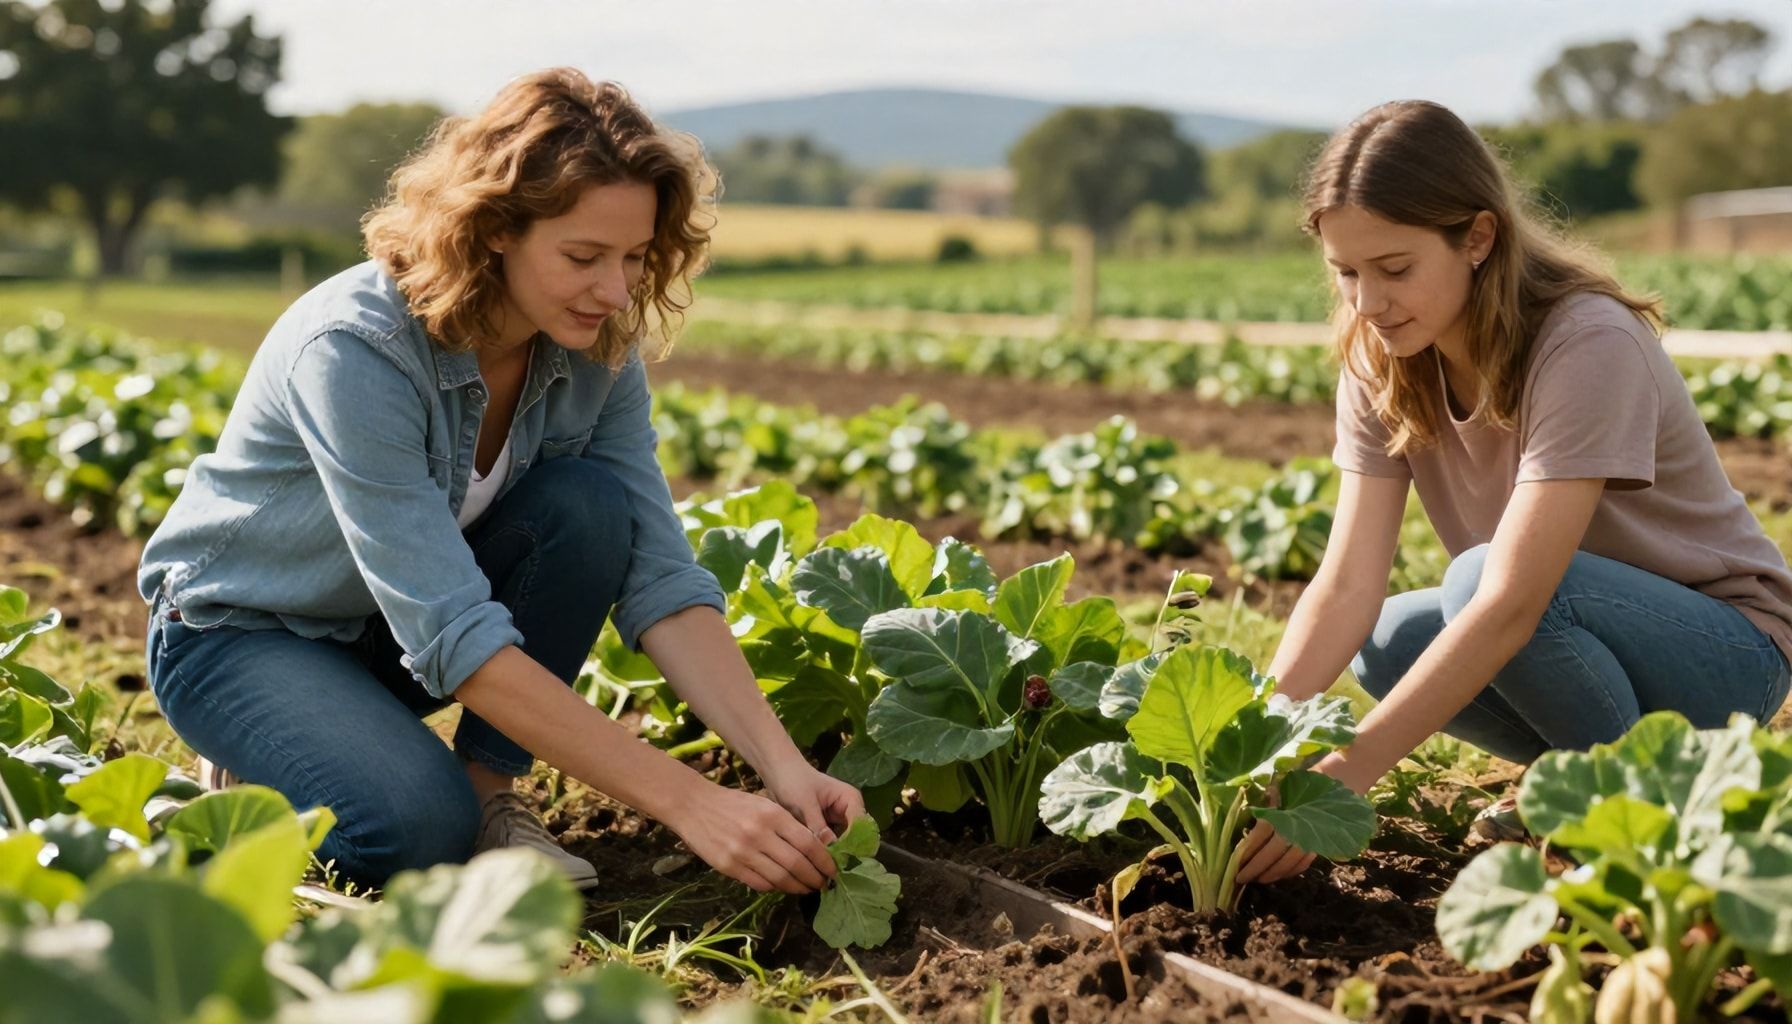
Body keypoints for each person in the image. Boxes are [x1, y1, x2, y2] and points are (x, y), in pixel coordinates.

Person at [138, 68, 863, 894]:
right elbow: (451, 630)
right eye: (584, 256)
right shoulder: (354, 350)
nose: (617, 289)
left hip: (384, 637)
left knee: (590, 509)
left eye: (634, 256)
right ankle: (260, 773)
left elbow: (660, 576)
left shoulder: (595, 349)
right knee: (414, 835)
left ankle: (489, 800)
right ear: (493, 230)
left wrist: (783, 768)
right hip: (239, 636)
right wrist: (690, 803)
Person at [1236, 99, 1792, 885]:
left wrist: (1352, 768)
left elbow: (1513, 603)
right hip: (1573, 636)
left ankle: (1634, 814)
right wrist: (1251, 743)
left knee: (1478, 584)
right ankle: (1578, 780)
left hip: (1728, 649)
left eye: (1395, 269)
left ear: (1478, 238)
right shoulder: (1382, 358)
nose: (1369, 302)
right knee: (1387, 636)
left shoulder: (1584, 340)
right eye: (1347, 273)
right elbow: (1348, 585)